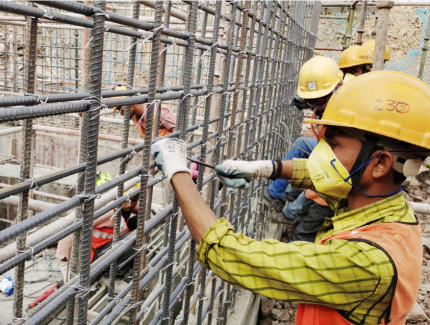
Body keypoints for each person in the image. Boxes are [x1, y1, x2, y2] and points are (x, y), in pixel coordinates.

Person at [150, 71, 428, 324]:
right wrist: (264, 169)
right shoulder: (385, 210)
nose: (319, 153)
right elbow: (327, 172)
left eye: (332, 144)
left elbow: (231, 254)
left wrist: (178, 172)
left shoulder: (365, 263)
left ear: (380, 163)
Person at [266, 56, 343, 240]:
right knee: (302, 144)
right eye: (311, 101)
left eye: (320, 100)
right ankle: (276, 195)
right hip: (325, 159)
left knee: (301, 233)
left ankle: (288, 211)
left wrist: (271, 169)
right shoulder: (330, 100)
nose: (315, 105)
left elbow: (328, 170)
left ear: (336, 87)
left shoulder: (341, 119)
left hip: (334, 179)